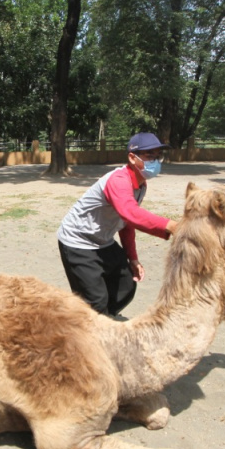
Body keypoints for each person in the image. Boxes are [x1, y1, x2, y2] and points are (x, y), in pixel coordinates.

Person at [56, 132, 178, 316]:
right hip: (78, 242)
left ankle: (104, 321)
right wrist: (172, 226)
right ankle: (92, 324)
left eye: (158, 156)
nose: (155, 161)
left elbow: (127, 222)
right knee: (95, 302)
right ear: (132, 158)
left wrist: (133, 258)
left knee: (126, 285)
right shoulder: (119, 180)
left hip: (102, 241)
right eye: (149, 155)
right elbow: (130, 212)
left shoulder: (140, 185)